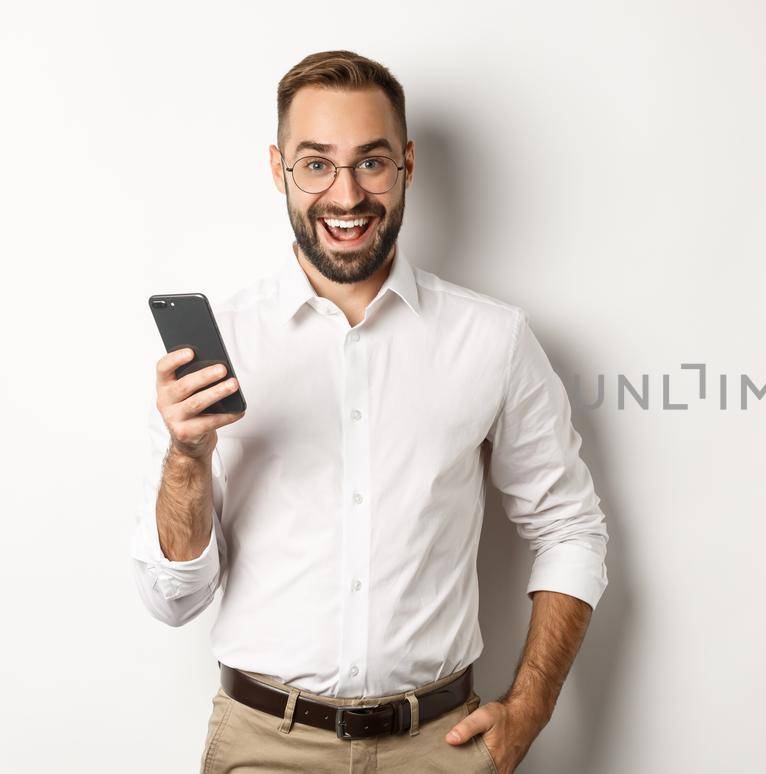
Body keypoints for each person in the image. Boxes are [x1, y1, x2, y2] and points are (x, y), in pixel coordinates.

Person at [130, 50, 609, 773]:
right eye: (316, 163)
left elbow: (570, 527)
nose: (346, 195)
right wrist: (186, 461)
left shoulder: (492, 339)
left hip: (441, 748)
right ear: (278, 168)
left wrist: (529, 710)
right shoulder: (223, 345)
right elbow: (174, 602)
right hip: (264, 748)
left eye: (372, 163)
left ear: (408, 163)